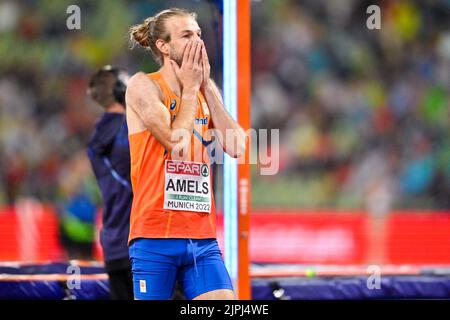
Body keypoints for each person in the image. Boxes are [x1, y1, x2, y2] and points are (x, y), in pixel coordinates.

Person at [125, 8, 246, 300]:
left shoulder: (204, 89)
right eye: (187, 35)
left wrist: (205, 86)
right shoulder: (144, 85)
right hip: (154, 237)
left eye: (199, 35)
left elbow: (238, 146)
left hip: (202, 238)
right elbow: (175, 144)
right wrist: (191, 89)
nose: (198, 42)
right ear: (163, 46)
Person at [86, 66, 134, 300]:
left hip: (114, 243)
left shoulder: (99, 134)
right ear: (121, 91)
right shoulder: (125, 130)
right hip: (138, 241)